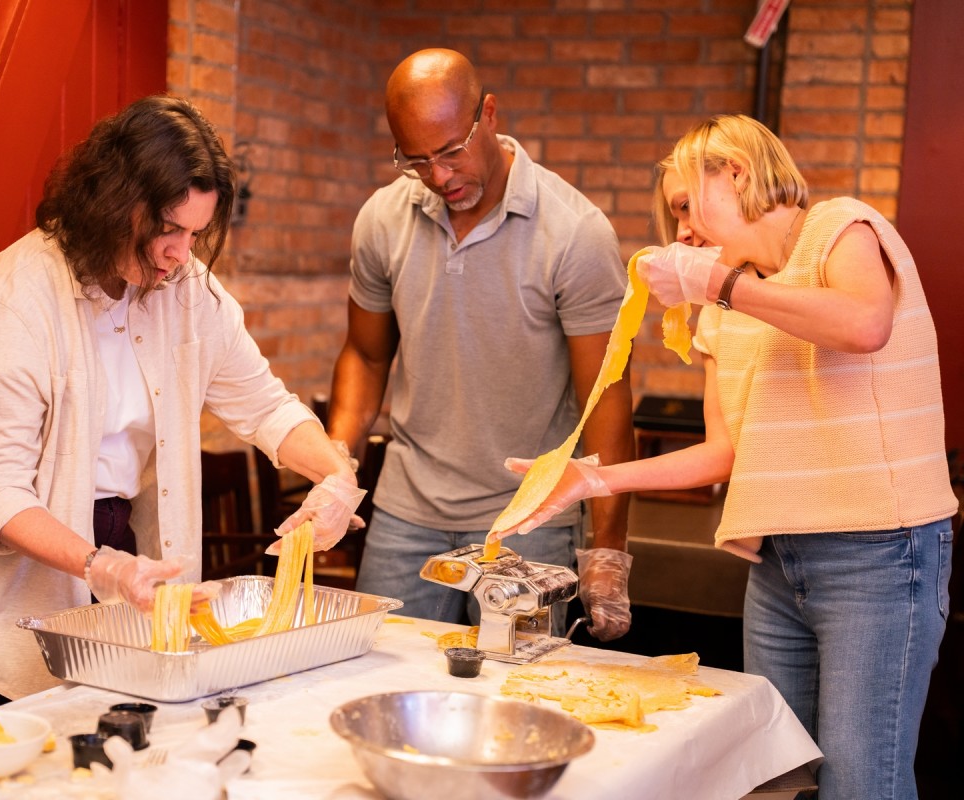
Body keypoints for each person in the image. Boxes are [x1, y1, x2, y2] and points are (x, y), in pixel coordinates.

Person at [493, 113, 957, 800]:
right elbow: (724, 452)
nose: (679, 233)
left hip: (879, 558)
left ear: (735, 174)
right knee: (773, 774)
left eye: (685, 208)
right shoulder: (726, 310)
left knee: (862, 782)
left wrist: (719, 285)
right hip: (777, 563)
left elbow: (865, 323)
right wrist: (592, 477)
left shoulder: (841, 229)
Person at [0, 95, 363, 708]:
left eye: (195, 233)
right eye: (167, 230)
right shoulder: (18, 296)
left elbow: (266, 406)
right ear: (112, 204)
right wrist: (101, 567)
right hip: (2, 571)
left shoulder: (188, 290)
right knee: (22, 752)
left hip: (113, 546)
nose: (180, 254)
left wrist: (335, 475)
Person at [327, 48, 636, 641]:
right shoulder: (382, 220)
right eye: (416, 160)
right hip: (404, 511)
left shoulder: (573, 232)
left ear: (488, 115)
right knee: (378, 687)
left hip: (530, 518)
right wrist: (338, 471)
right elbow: (366, 356)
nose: (440, 177)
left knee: (517, 705)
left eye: (450, 152)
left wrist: (609, 550)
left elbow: (604, 394)